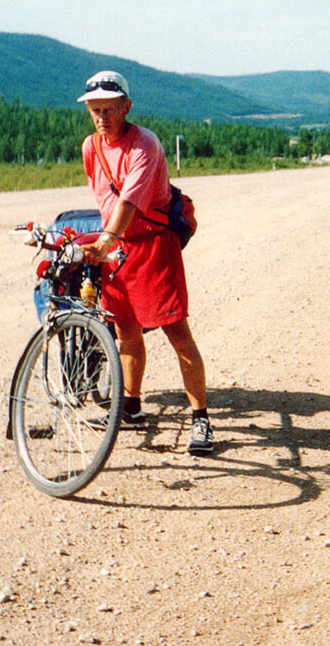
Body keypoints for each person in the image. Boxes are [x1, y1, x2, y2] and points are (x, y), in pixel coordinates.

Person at [76, 70, 213, 455]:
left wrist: (106, 240)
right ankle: (131, 406)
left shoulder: (145, 145)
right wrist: (107, 242)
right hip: (117, 247)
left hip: (152, 244)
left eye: (109, 109)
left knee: (176, 332)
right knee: (126, 332)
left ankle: (200, 417)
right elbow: (103, 197)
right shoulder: (92, 146)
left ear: (126, 107)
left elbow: (128, 202)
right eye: (94, 109)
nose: (102, 117)